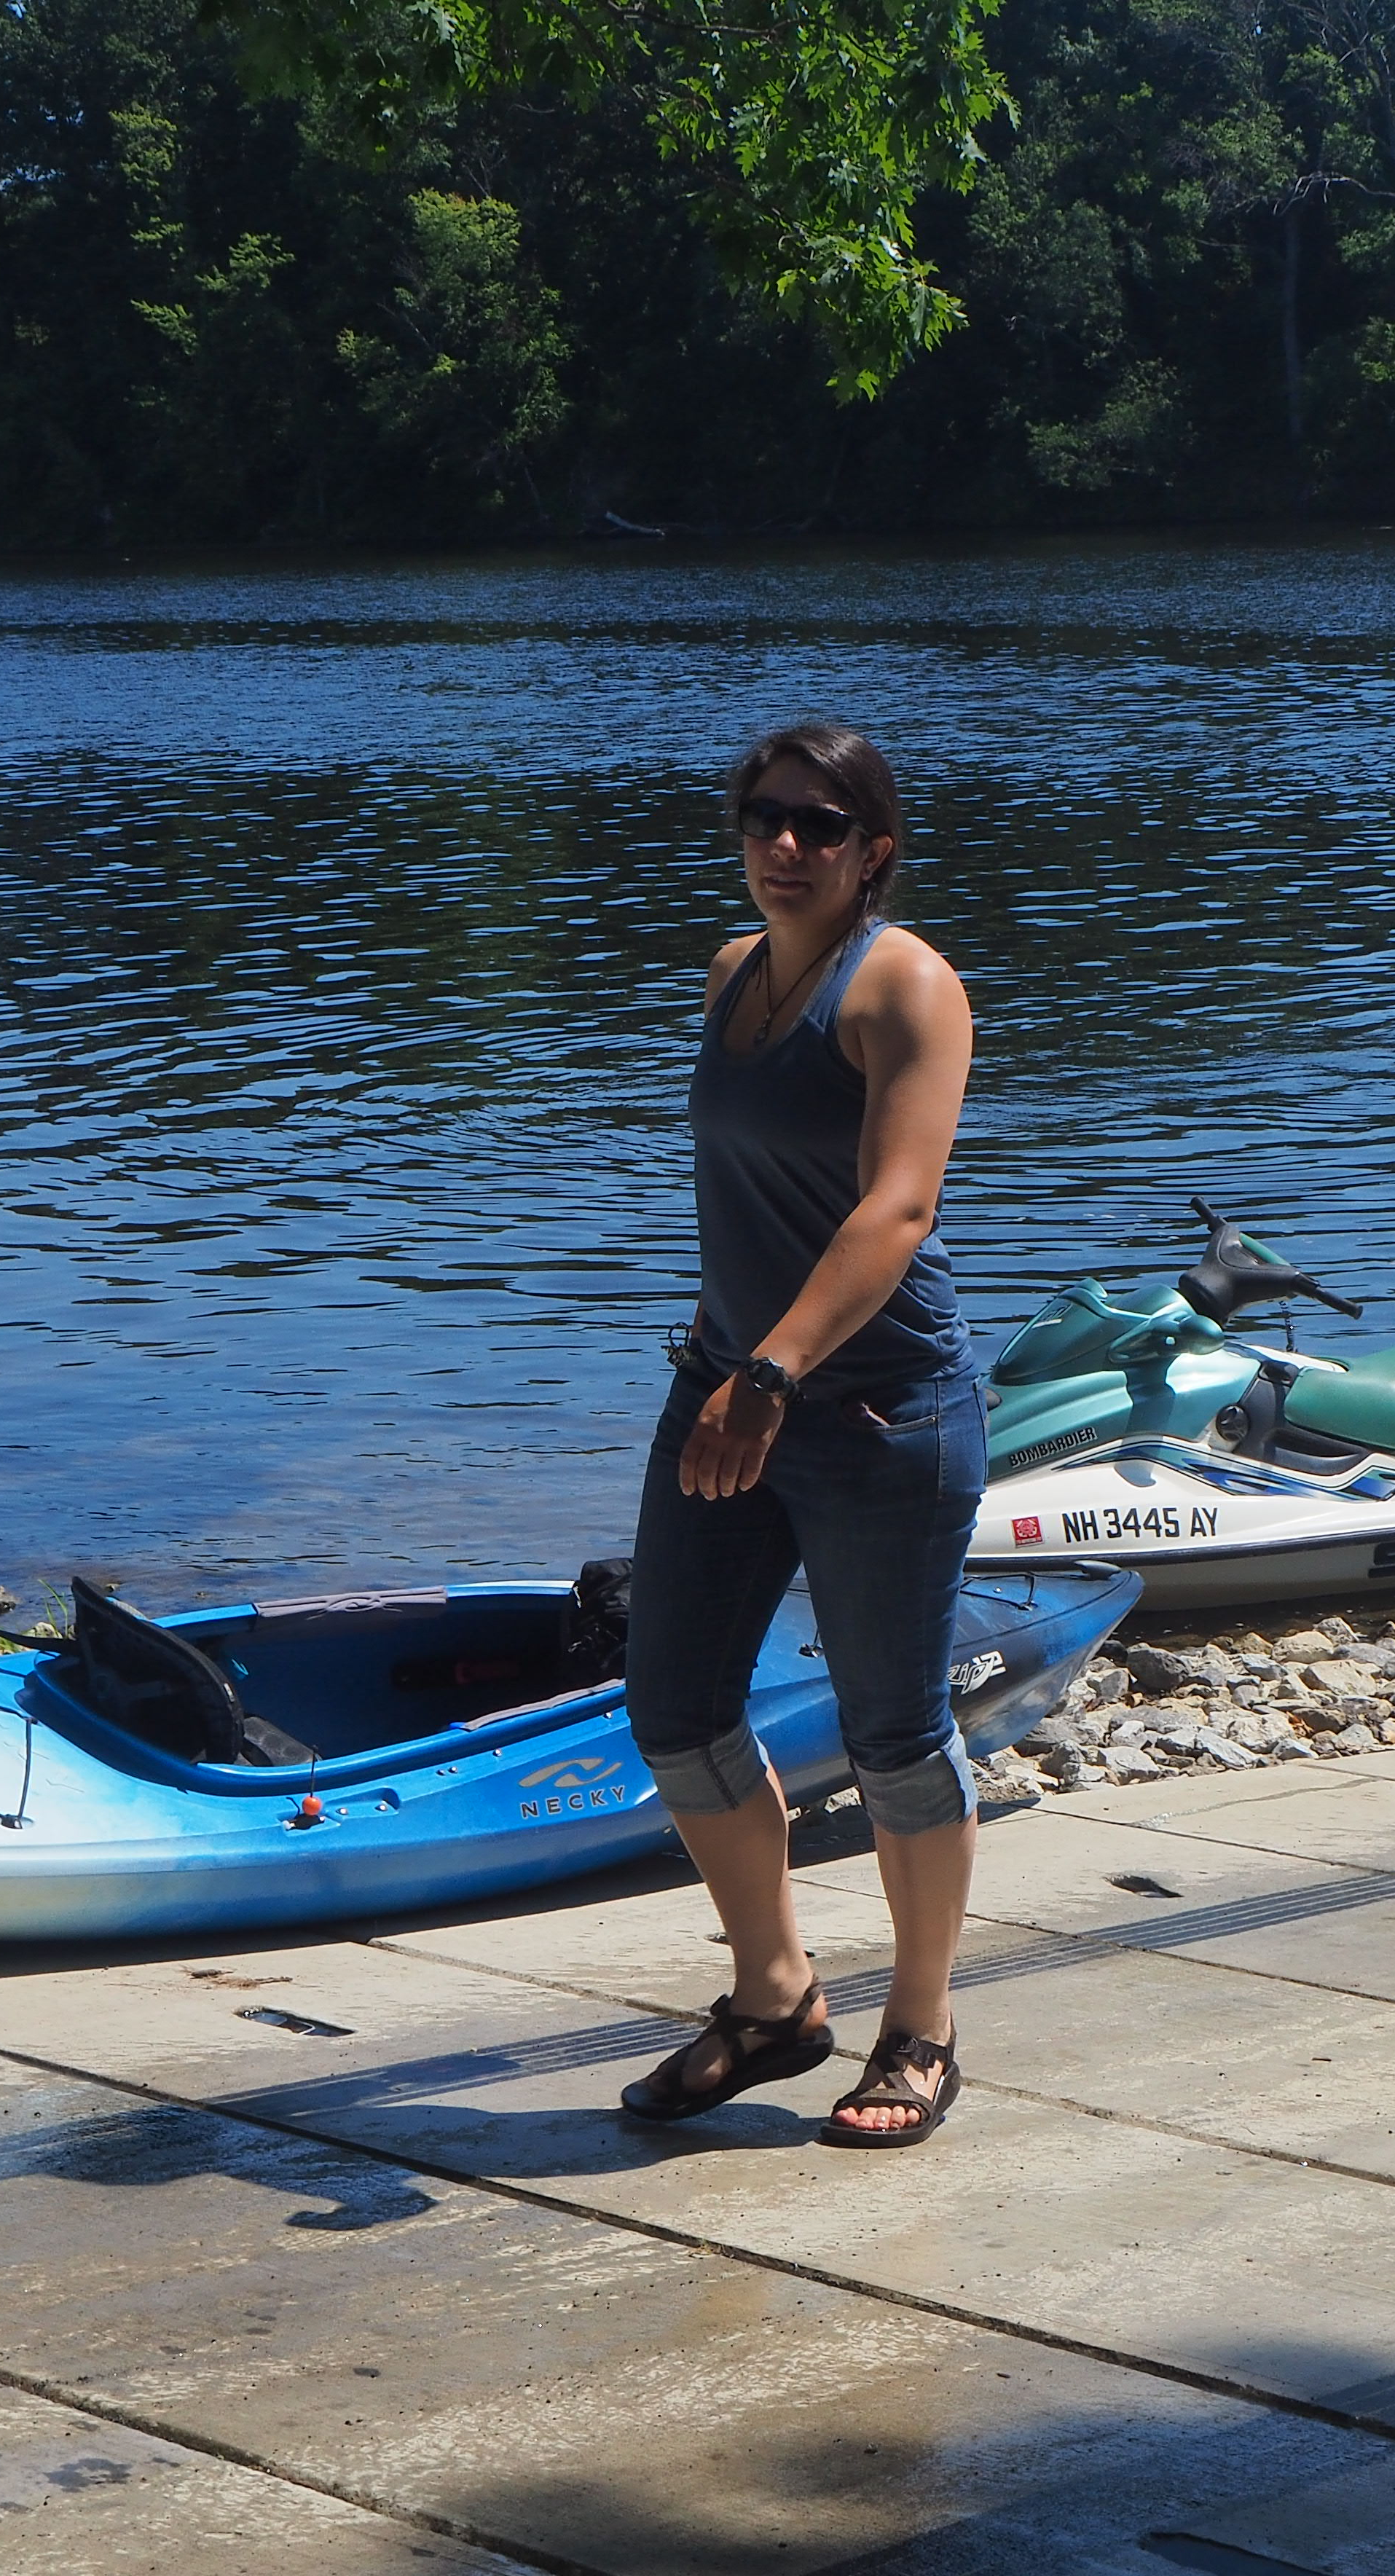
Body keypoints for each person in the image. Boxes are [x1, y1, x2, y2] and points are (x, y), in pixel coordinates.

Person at [616, 720, 985, 2149]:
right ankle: (774, 1999)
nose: (784, 845)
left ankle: (921, 2028)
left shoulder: (904, 986)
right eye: (764, 817)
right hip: (727, 1386)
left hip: (878, 1414)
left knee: (893, 1731)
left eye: (819, 826)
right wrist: (733, 1365)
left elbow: (897, 1208)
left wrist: (771, 1372)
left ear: (870, 849)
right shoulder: (731, 974)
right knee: (675, 1706)